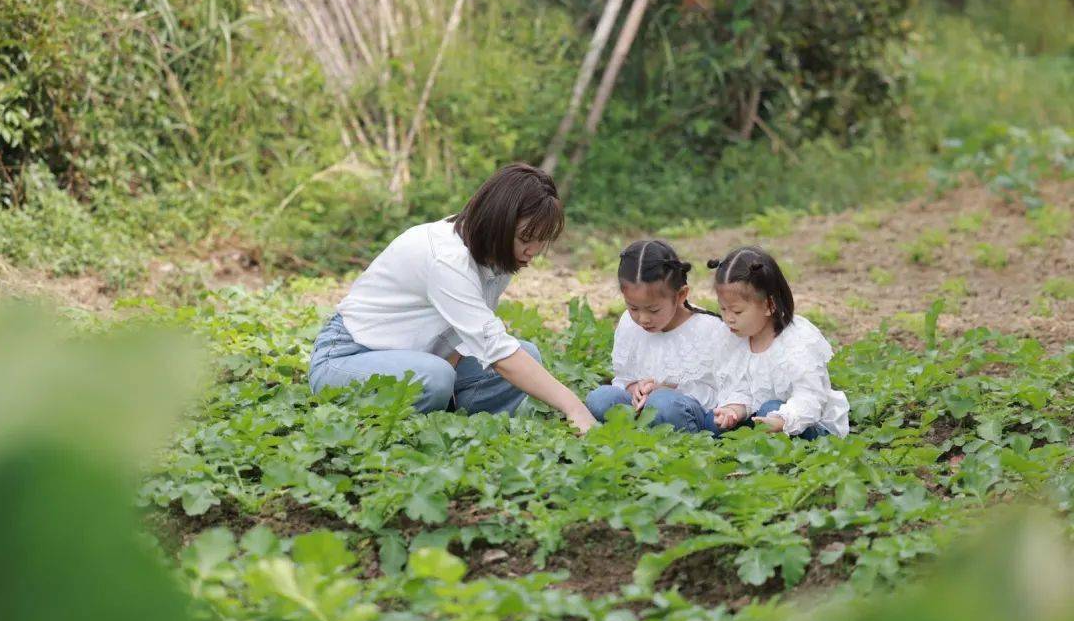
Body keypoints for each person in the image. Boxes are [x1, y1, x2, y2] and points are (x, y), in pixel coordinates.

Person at [308, 163, 597, 433]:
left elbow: (469, 336)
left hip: (417, 359)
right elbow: (497, 352)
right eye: (525, 238)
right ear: (498, 224)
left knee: (526, 354)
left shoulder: (499, 257)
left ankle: (449, 421)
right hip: (347, 358)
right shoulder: (447, 259)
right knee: (435, 377)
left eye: (541, 240)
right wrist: (575, 408)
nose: (533, 250)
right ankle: (422, 419)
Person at [585, 240, 748, 434]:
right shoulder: (630, 323)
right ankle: (643, 428)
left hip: (685, 410)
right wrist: (635, 388)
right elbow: (624, 377)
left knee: (663, 403)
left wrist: (667, 388)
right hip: (644, 408)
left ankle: (678, 435)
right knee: (600, 398)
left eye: (653, 309)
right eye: (633, 308)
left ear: (680, 296)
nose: (643, 319)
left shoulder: (708, 330)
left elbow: (723, 394)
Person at [709, 246, 850, 439]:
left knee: (770, 407)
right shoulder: (735, 339)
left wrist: (781, 420)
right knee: (715, 423)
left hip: (806, 423)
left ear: (769, 305)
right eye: (723, 309)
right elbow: (741, 388)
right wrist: (734, 410)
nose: (728, 319)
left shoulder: (797, 340)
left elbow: (810, 396)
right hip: (761, 421)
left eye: (737, 311)